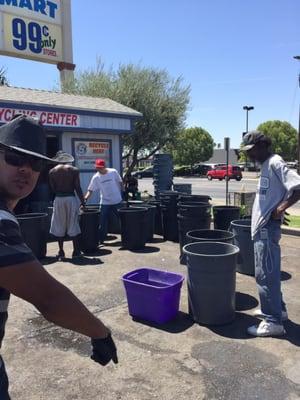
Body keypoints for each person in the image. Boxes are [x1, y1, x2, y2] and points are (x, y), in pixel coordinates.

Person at [0, 116, 118, 399]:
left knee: (60, 231)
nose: (25, 169)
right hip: (70, 200)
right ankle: (74, 250)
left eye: (36, 163)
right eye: (15, 158)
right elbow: (48, 298)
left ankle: (66, 250)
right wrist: (101, 332)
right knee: (72, 230)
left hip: (59, 201)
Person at [241, 130, 300, 337]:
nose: (249, 155)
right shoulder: (266, 165)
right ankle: (279, 310)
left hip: (267, 229)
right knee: (270, 273)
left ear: (262, 145)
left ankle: (273, 321)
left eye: (252, 150)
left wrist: (281, 208)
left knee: (265, 275)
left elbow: (297, 186)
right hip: (263, 228)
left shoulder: (275, 162)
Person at [49, 151, 85, 259]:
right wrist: (83, 201)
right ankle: (76, 251)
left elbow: (53, 189)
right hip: (70, 198)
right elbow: (77, 187)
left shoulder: (52, 171)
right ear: (68, 159)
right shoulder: (74, 170)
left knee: (59, 223)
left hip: (59, 198)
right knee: (73, 223)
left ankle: (61, 252)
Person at [84, 159, 123, 244]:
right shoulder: (96, 177)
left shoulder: (113, 172)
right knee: (102, 222)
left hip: (117, 201)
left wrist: (123, 193)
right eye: (97, 168)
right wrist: (85, 198)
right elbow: (90, 190)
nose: (98, 169)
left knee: (122, 219)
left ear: (104, 167)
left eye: (100, 168)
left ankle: (126, 237)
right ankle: (101, 241)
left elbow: (120, 182)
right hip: (105, 202)